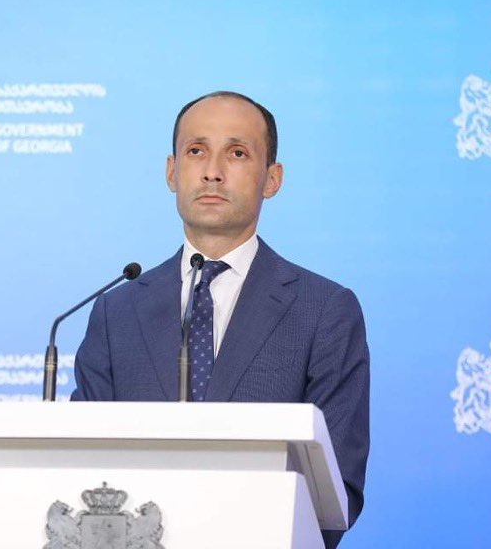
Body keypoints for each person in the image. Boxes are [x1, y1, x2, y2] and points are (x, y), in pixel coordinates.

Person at [70, 91, 369, 548]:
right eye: (196, 151)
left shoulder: (324, 310)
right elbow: (81, 464)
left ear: (272, 179)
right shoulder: (117, 312)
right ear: (172, 172)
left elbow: (336, 491)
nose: (212, 171)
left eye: (237, 153)